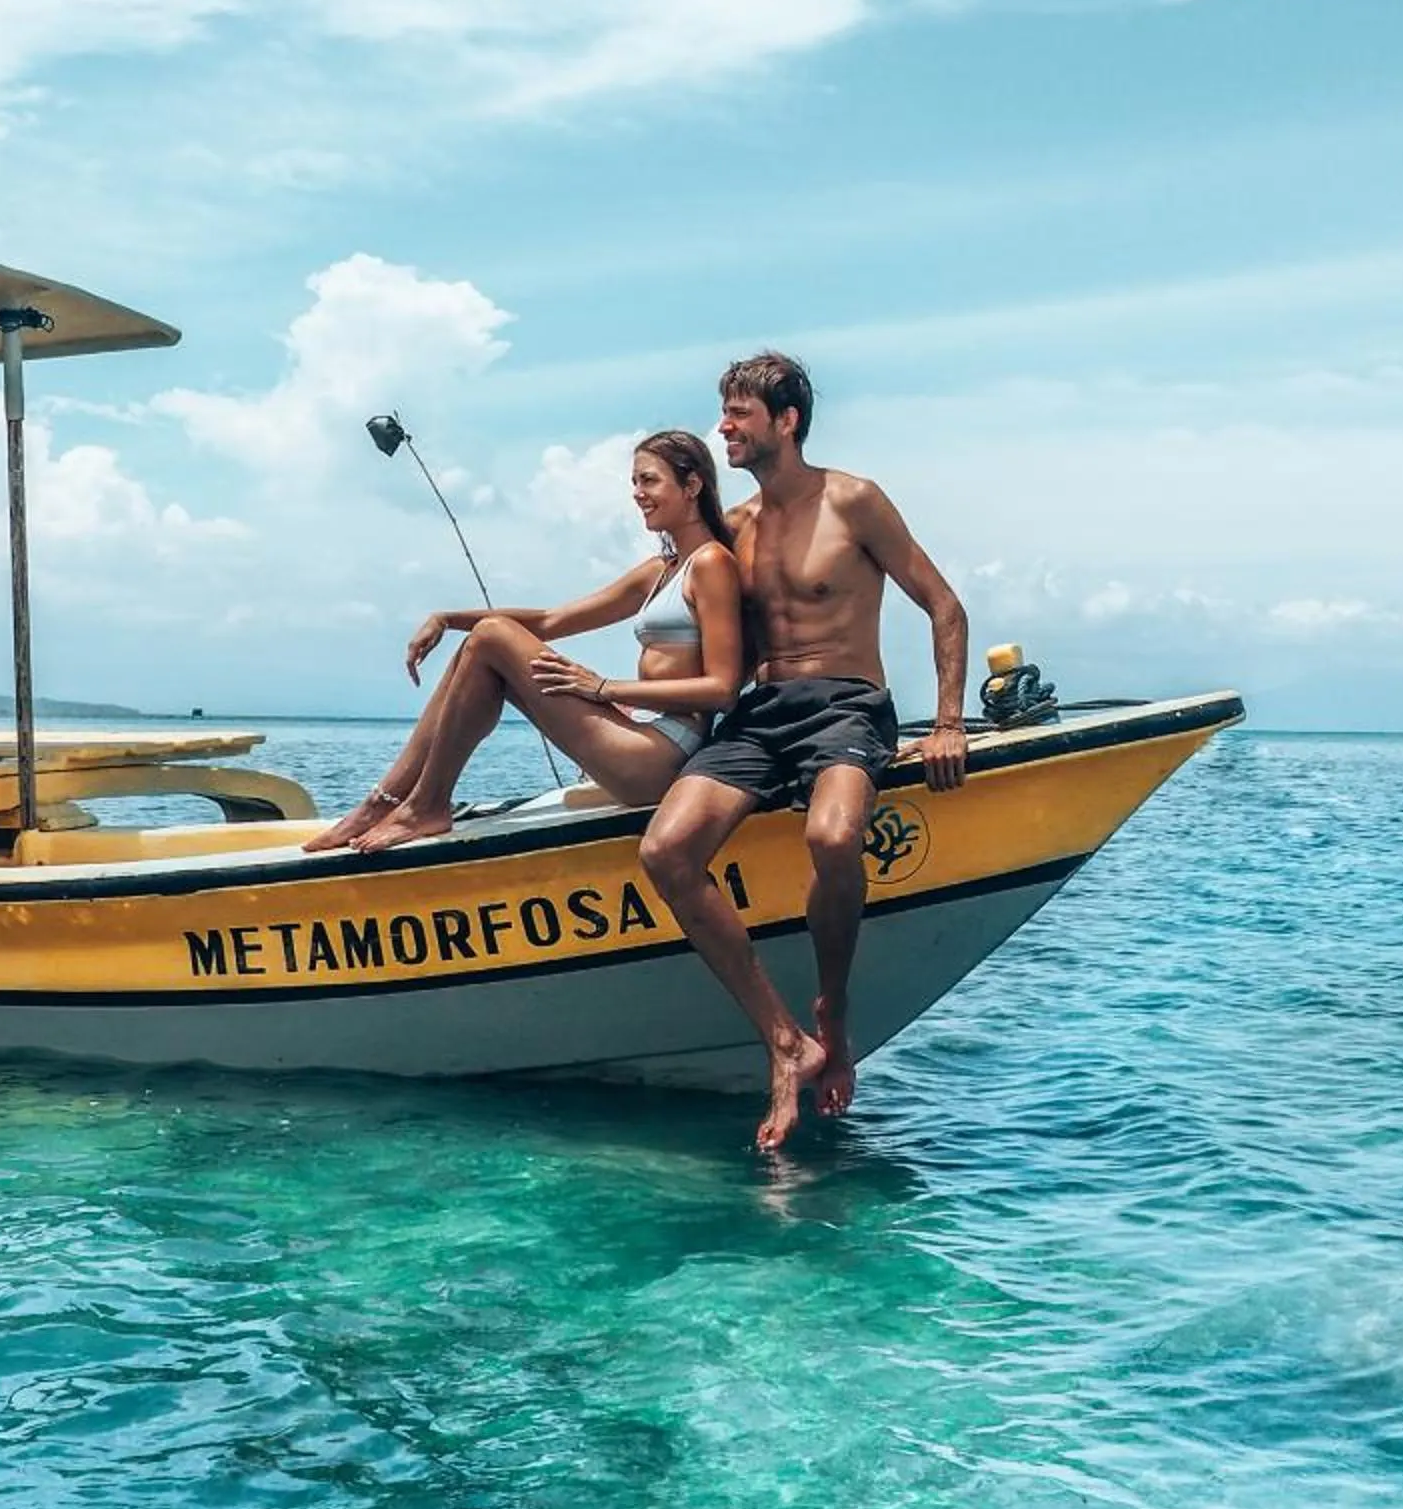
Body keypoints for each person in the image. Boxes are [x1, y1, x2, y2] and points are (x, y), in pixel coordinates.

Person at [639, 351, 969, 1151]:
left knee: (830, 836)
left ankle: (834, 1012)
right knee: (666, 850)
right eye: (722, 414)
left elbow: (944, 606)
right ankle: (784, 1041)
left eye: (739, 416)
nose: (723, 429)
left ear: (785, 422)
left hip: (847, 708)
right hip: (759, 715)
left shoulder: (853, 501)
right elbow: (644, 601)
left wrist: (950, 722)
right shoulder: (734, 532)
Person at [306, 429, 744, 854]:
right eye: (633, 481)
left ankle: (422, 805)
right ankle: (385, 802)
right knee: (480, 648)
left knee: (493, 637)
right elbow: (553, 620)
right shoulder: (661, 569)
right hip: (640, 733)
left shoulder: (711, 564)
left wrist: (603, 688)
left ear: (692, 485)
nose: (636, 493)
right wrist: (447, 618)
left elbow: (721, 690)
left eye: (649, 480)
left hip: (662, 755)